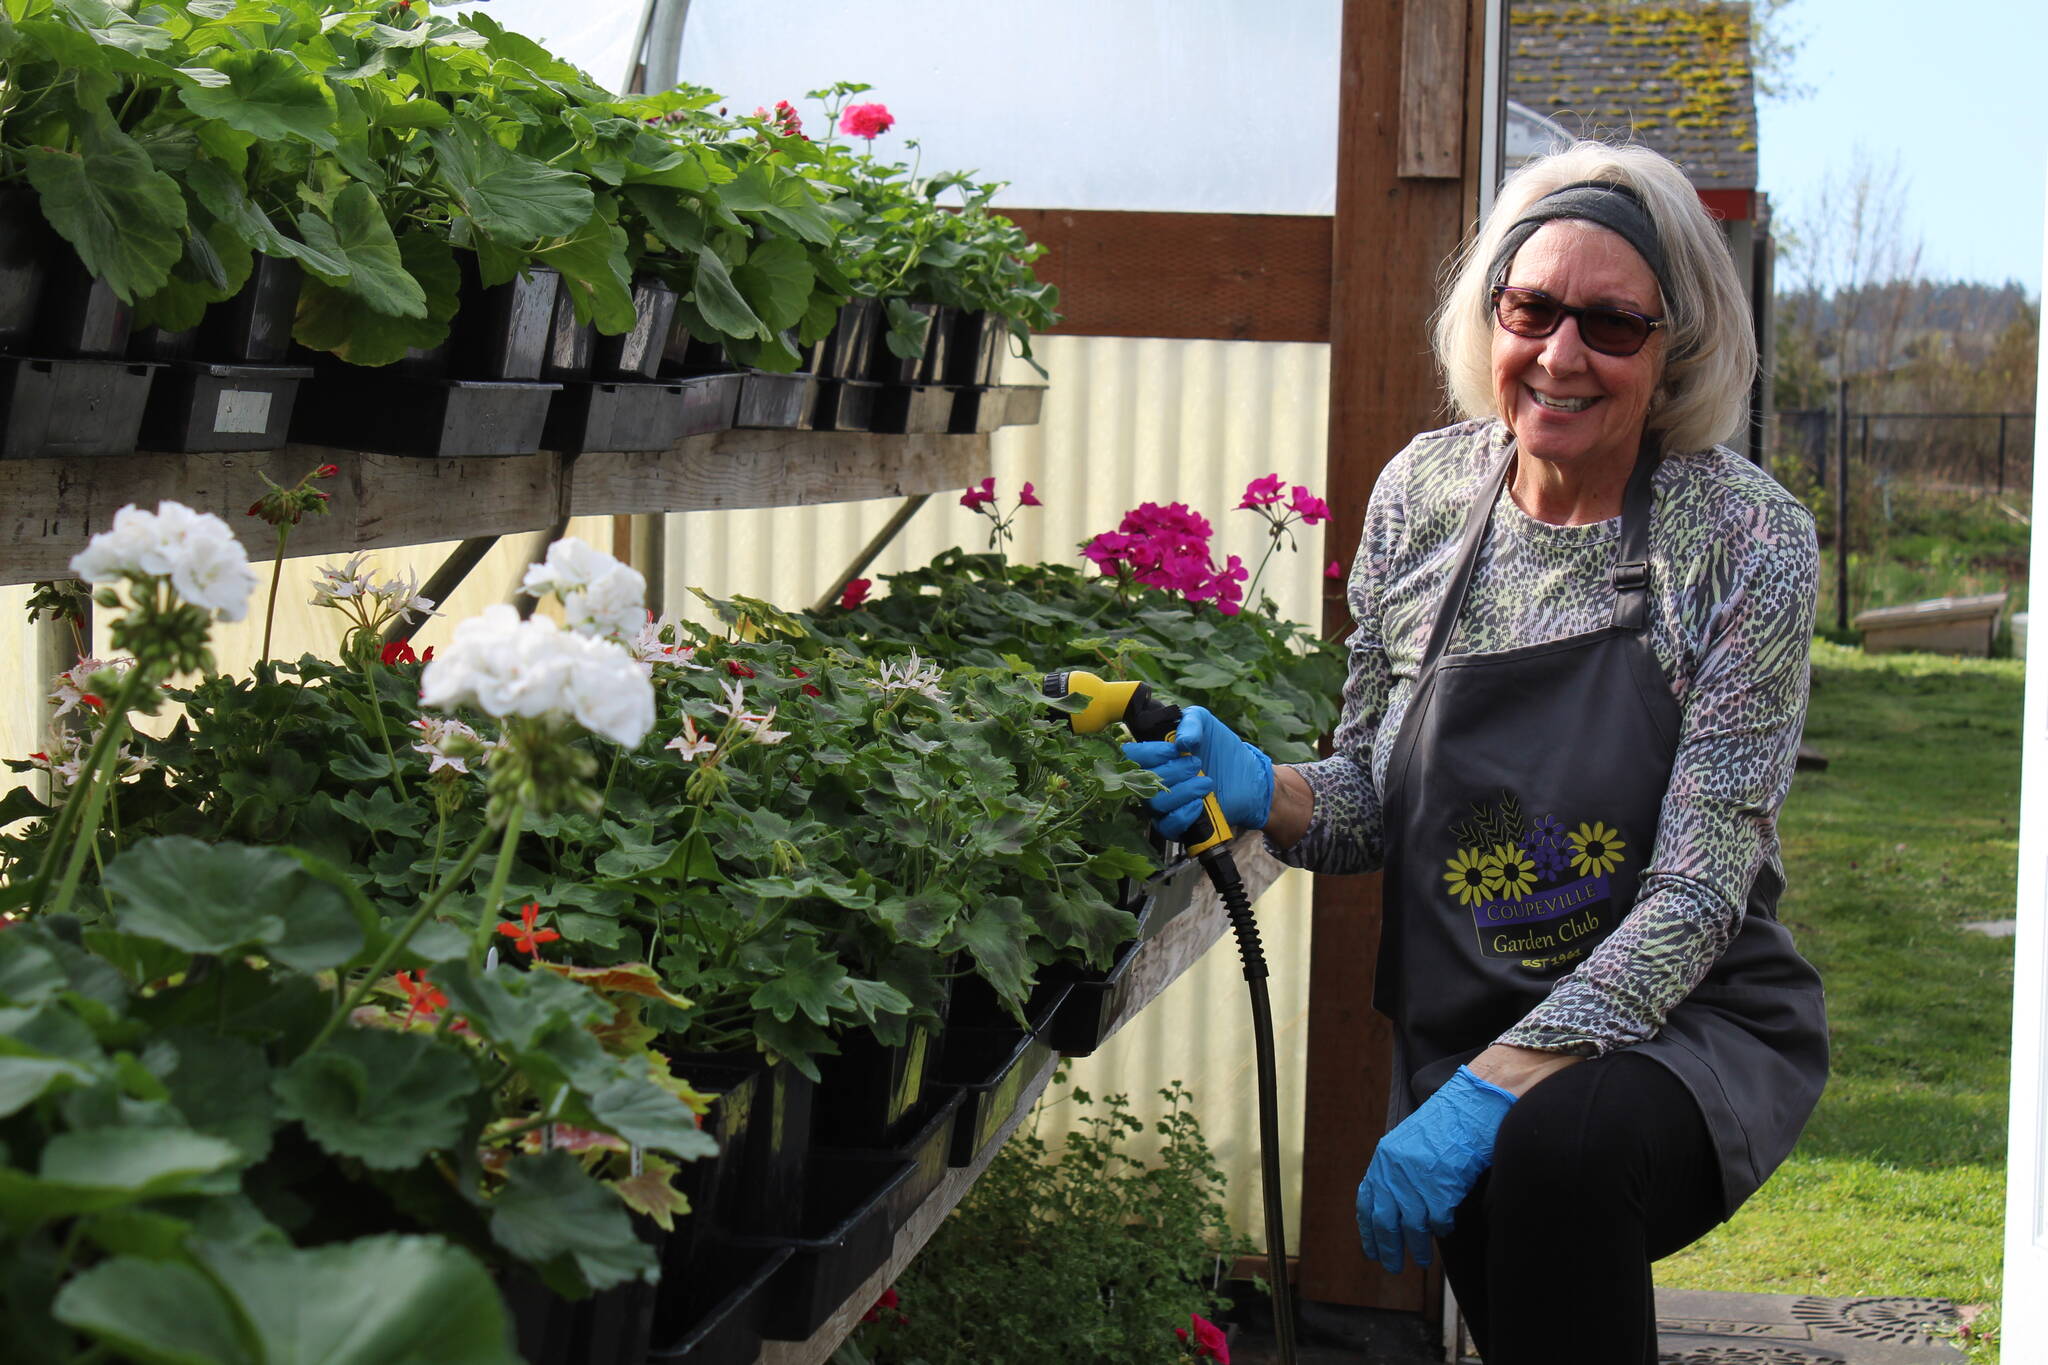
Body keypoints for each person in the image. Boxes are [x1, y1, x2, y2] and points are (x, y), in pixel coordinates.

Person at [1121, 140, 1828, 1365]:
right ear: (1489, 314)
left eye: (1610, 324)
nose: (1559, 355)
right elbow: (1372, 800)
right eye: (1530, 309)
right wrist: (1267, 790)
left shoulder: (1742, 538)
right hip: (1465, 1021)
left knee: (1556, 1150)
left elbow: (1700, 892)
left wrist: (1494, 1089)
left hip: (1682, 1026)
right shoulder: (1423, 497)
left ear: (1676, 350)